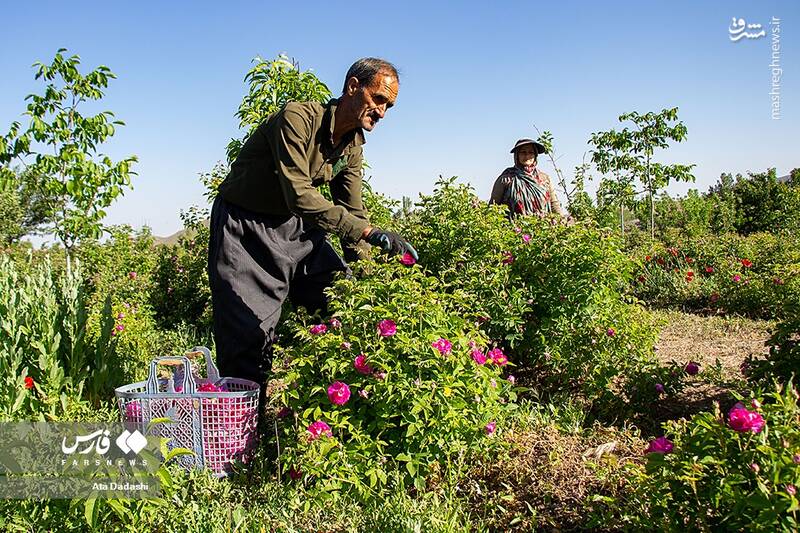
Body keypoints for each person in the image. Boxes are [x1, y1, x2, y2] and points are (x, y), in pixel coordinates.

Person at [208, 57, 417, 385]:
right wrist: (366, 231)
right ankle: (242, 432)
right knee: (249, 341)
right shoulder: (298, 119)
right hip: (246, 228)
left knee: (342, 305)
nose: (382, 112)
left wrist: (371, 280)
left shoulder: (353, 148)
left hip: (296, 228)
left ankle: (329, 410)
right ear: (352, 87)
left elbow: (354, 213)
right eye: (378, 99)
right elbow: (300, 195)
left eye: (389, 106)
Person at [489, 138, 566, 218]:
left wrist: (562, 222)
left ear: (535, 155)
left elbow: (553, 204)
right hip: (513, 228)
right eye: (523, 152)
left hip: (542, 227)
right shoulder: (506, 179)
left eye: (531, 152)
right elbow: (493, 206)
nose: (527, 156)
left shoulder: (544, 178)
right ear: (517, 155)